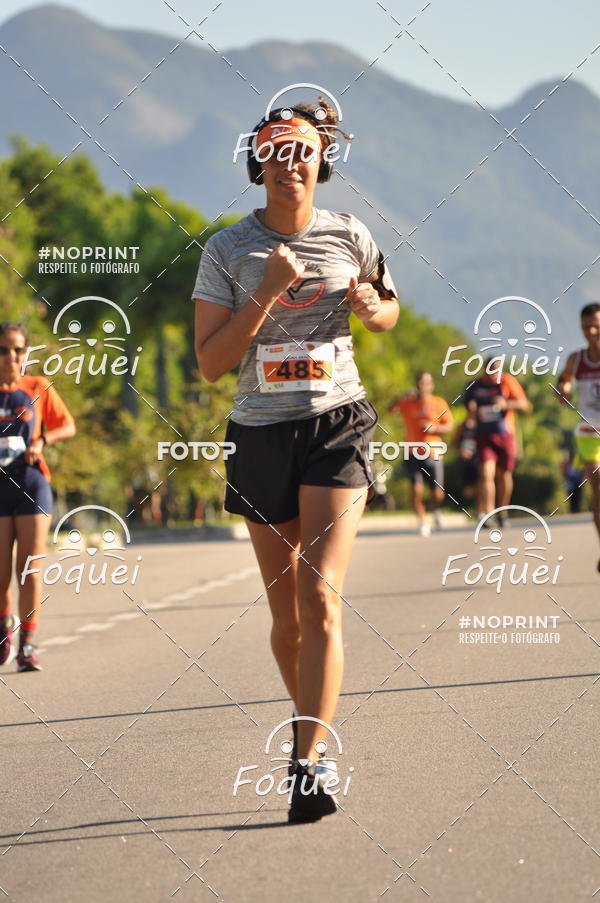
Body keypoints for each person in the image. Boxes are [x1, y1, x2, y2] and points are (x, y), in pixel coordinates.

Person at [192, 99, 398, 821]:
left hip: (336, 423)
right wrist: (265, 293)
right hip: (259, 433)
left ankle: (307, 758)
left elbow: (387, 305)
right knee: (288, 620)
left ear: (322, 160)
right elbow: (212, 363)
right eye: (277, 150)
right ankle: (309, 719)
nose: (292, 162)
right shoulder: (226, 249)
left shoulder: (350, 234)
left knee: (320, 594)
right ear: (259, 161)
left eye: (304, 149)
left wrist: (375, 309)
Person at [0, 321, 75, 671]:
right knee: (1, 573)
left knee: (28, 569)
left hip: (31, 484)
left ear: (26, 352)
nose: (11, 357)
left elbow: (67, 425)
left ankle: (27, 645)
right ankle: (5, 633)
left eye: (18, 349)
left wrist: (42, 440)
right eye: (4, 350)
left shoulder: (38, 387)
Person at [557, 302, 600, 570]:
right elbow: (562, 389)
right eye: (586, 327)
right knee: (598, 488)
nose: (592, 331)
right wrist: (564, 389)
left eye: (596, 325)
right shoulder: (576, 359)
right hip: (589, 433)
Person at [464, 361, 531, 524]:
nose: (493, 376)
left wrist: (506, 404)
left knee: (504, 474)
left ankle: (503, 511)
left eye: (496, 372)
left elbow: (526, 406)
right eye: (489, 372)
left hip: (505, 435)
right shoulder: (474, 385)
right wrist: (471, 409)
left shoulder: (508, 381)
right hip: (483, 436)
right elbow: (468, 406)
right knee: (486, 474)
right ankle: (488, 512)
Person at [389, 372, 453, 535]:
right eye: (420, 383)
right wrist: (400, 397)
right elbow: (391, 410)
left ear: (431, 385)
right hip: (412, 451)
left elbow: (449, 426)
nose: (423, 386)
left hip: (434, 451)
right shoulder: (407, 402)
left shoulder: (439, 403)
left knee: (437, 492)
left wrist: (435, 428)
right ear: (417, 384)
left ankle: (436, 510)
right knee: (416, 490)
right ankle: (422, 521)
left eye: (426, 383)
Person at [454, 413, 480, 510]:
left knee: (481, 484)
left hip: (478, 458)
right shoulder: (462, 426)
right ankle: (468, 507)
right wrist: (461, 452)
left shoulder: (481, 425)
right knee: (468, 491)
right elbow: (455, 443)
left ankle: (480, 509)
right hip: (465, 461)